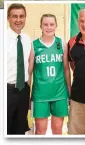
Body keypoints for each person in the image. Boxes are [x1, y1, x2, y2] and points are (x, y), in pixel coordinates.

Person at [28, 14, 71, 135]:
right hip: (40, 94)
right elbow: (29, 72)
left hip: (60, 93)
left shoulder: (62, 43)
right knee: (40, 131)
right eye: (45, 24)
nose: (49, 27)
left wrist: (69, 89)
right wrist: (28, 93)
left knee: (57, 130)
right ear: (40, 26)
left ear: (56, 26)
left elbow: (66, 69)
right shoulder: (34, 45)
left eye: (51, 24)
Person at [67, 7, 85, 135]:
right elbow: (73, 66)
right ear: (78, 22)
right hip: (77, 100)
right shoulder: (72, 42)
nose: (84, 24)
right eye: (82, 21)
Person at [7, 3, 31, 135]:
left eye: (21, 16)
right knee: (5, 128)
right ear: (8, 18)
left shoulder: (27, 39)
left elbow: (28, 64)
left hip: (23, 90)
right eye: (14, 16)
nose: (18, 20)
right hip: (7, 90)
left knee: (20, 128)